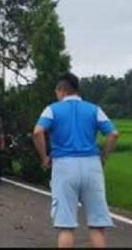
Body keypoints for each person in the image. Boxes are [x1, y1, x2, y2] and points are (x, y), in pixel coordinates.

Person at [33, 73, 120, 248]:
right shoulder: (94, 109)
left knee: (66, 226)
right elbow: (113, 134)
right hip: (91, 165)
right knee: (97, 225)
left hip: (64, 165)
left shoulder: (52, 109)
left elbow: (38, 132)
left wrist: (44, 157)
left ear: (61, 90)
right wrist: (103, 157)